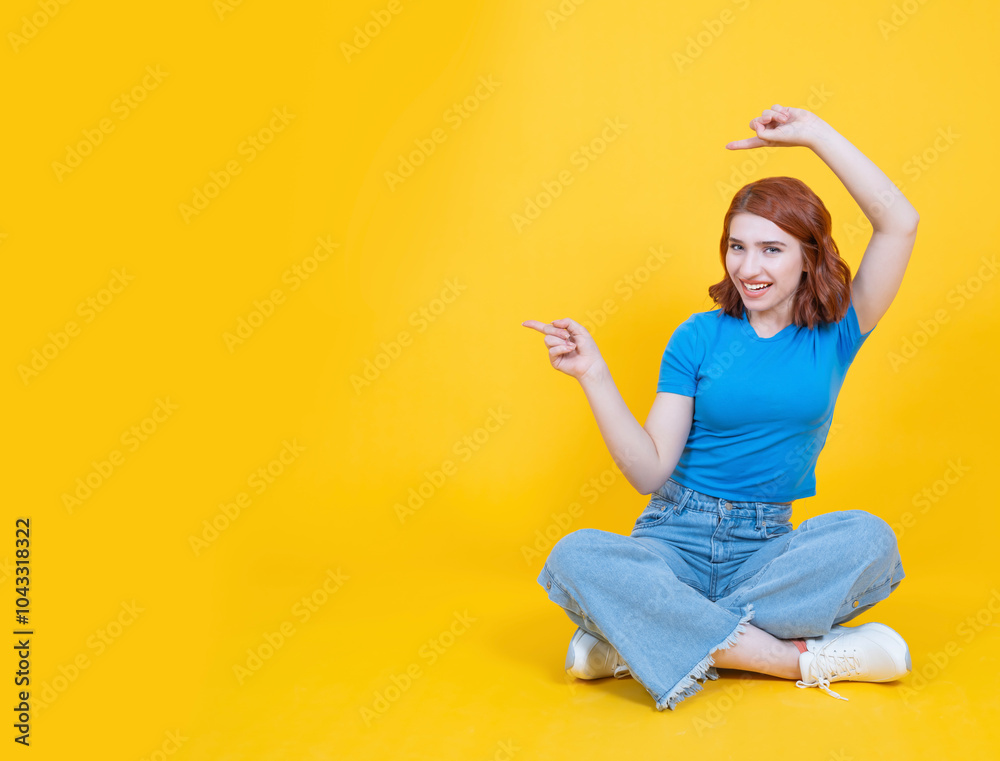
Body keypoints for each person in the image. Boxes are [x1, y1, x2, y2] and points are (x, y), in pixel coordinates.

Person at [521, 103, 919, 711]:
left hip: (766, 550)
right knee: (576, 555)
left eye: (772, 249)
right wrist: (594, 375)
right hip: (672, 540)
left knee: (868, 538)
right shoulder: (698, 337)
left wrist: (813, 136)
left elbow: (900, 224)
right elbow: (650, 472)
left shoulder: (838, 330)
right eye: (737, 246)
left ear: (809, 256)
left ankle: (640, 640)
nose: (748, 267)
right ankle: (789, 660)